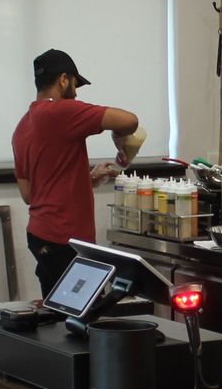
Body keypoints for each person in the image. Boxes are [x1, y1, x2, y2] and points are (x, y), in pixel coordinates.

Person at [12, 48, 142, 299]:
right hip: (65, 239)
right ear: (63, 79)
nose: (76, 91)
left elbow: (29, 194)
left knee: (59, 317)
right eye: (75, 83)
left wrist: (89, 178)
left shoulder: (23, 126)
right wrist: (118, 137)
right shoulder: (61, 111)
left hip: (40, 236)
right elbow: (130, 121)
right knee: (82, 317)